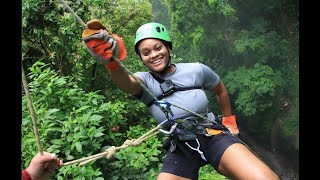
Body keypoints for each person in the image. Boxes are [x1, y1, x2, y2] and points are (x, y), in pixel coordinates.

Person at [82, 19, 280, 180]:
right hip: (181, 148)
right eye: (146, 53)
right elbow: (126, 83)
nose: (154, 55)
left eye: (158, 47)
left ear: (168, 47)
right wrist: (112, 63)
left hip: (212, 135)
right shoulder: (144, 81)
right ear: (141, 59)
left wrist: (229, 120)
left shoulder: (196, 70)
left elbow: (220, 90)